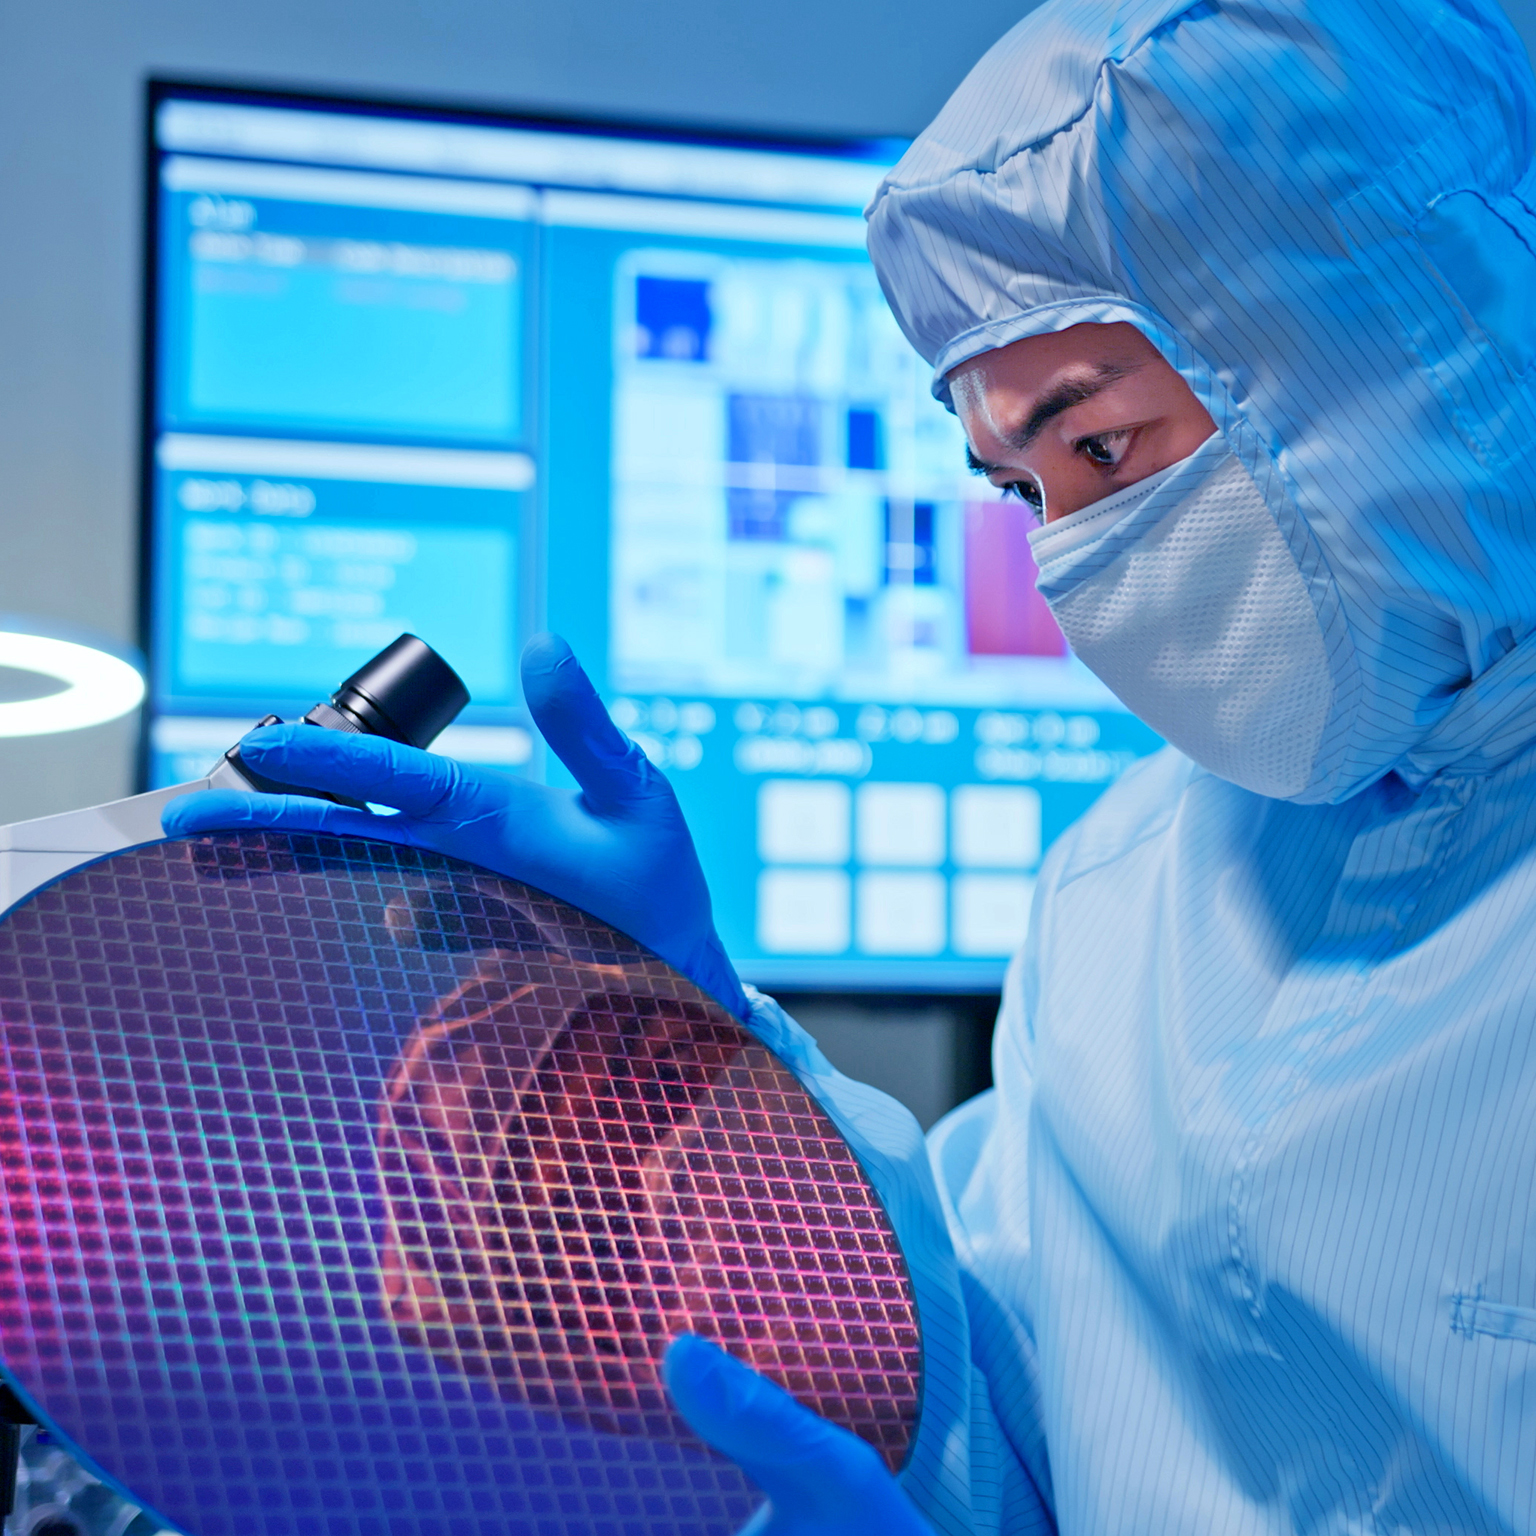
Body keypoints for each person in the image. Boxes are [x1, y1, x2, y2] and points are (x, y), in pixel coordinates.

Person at [164, 0, 1536, 1529]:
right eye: (1021, 490)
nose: (1076, 556)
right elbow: (1006, 1420)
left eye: (1104, 451)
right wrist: (709, 1055)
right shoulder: (1123, 894)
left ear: (1405, 355)